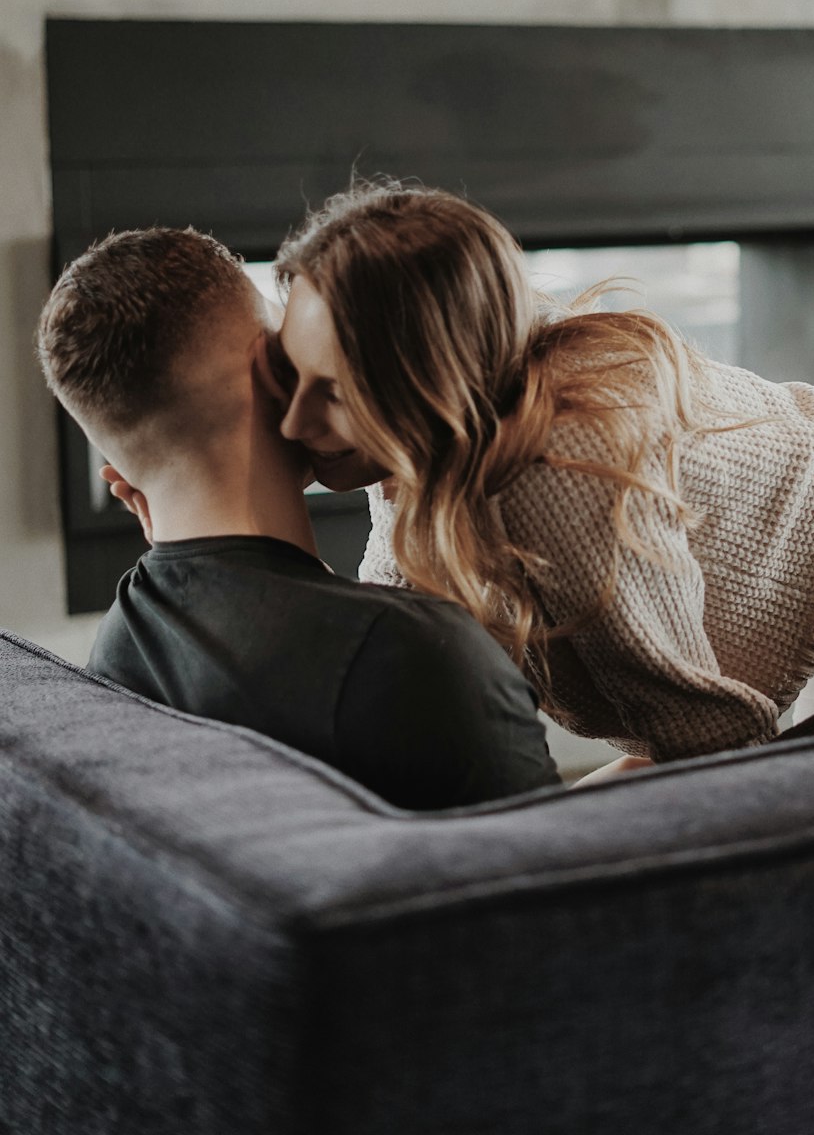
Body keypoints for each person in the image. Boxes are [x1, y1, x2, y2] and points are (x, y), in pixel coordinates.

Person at [268, 178, 814, 762]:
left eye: (336, 395)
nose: (293, 422)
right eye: (289, 376)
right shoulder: (430, 458)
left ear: (431, 381)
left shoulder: (558, 467)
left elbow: (710, 744)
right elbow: (390, 648)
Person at [35, 227, 560, 809]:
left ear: (120, 475)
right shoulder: (415, 658)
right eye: (289, 340)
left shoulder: (113, 661)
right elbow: (571, 879)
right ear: (272, 371)